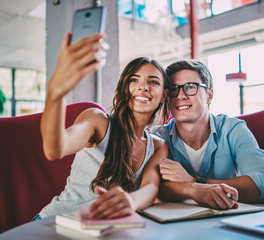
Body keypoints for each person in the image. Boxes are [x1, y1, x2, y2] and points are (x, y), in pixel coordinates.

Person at [35, 33, 170, 220]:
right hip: (56, 222)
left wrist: (131, 202)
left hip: (101, 230)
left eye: (153, 82)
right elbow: (54, 149)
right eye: (134, 80)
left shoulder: (158, 146)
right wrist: (56, 93)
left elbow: (151, 187)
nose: (143, 87)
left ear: (163, 95)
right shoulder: (97, 120)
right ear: (125, 87)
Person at [153, 60, 264, 210]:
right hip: (174, 225)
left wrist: (194, 181)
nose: (180, 96)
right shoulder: (157, 136)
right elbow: (148, 189)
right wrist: (192, 188)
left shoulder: (233, 129)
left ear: (209, 95)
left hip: (229, 222)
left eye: (190, 87)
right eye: (174, 89)